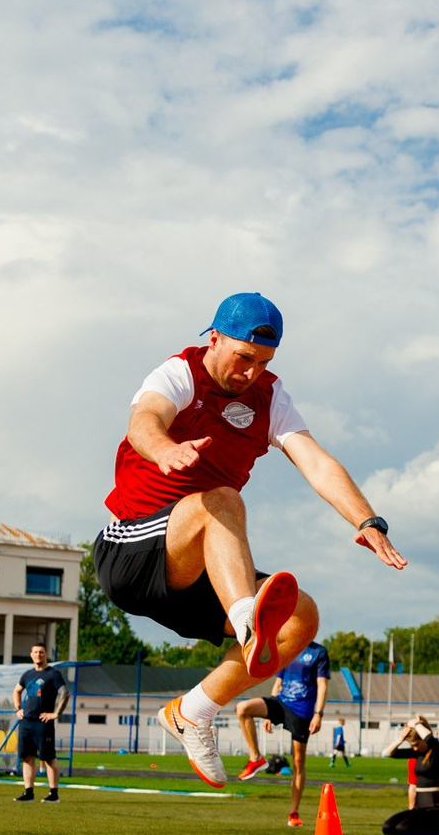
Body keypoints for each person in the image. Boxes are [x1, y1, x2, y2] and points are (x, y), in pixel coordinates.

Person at [92, 291, 408, 788]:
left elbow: (317, 462)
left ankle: (192, 712)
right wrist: (164, 450)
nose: (252, 372)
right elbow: (143, 421)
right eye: (244, 358)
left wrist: (367, 520)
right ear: (214, 339)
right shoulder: (180, 373)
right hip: (132, 549)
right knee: (221, 501)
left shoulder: (270, 399)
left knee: (302, 616)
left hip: (195, 572)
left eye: (264, 362)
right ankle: (246, 621)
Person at [238, 638, 331, 826]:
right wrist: (270, 714)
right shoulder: (288, 648)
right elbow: (278, 682)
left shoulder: (319, 652)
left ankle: (294, 812)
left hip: (302, 710)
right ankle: (256, 758)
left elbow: (322, 686)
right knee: (243, 708)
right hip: (281, 702)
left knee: (298, 761)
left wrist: (318, 714)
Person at [14, 642, 68, 802]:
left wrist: (56, 713)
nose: (38, 655)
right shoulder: (27, 675)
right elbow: (17, 690)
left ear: (46, 655)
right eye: (36, 652)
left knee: (49, 758)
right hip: (26, 722)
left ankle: (53, 794)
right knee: (27, 757)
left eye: (42, 652)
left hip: (43, 723)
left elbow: (65, 693)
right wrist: (18, 708)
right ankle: (28, 793)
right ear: (31, 655)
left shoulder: (53, 674)